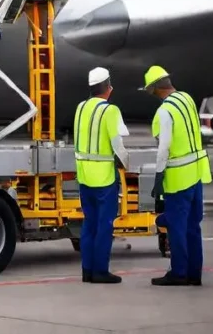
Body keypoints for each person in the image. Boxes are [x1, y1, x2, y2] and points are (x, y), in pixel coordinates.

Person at [143, 66, 212, 286]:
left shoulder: (164, 111)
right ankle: (194, 273)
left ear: (154, 88)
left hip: (179, 177)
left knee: (176, 225)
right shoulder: (187, 98)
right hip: (197, 172)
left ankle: (179, 272)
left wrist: (158, 175)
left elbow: (164, 147)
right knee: (193, 224)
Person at [73, 66, 129, 284]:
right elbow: (118, 145)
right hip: (105, 179)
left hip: (84, 176)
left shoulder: (80, 107)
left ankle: (87, 271)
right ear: (107, 87)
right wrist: (126, 164)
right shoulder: (110, 110)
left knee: (89, 224)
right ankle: (100, 271)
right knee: (105, 226)